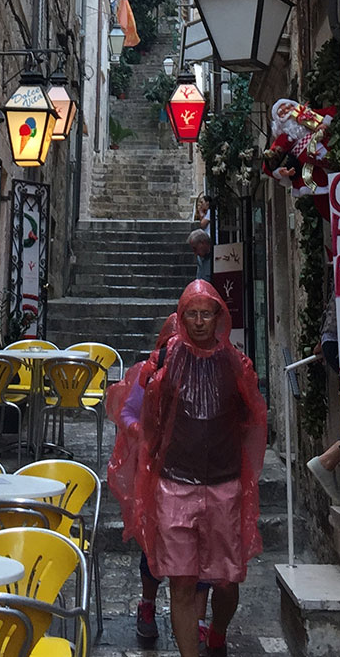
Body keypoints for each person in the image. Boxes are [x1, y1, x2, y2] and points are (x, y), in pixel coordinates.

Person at [107, 280, 267, 657]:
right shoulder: (165, 361)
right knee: (181, 582)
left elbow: (251, 419)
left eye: (206, 313)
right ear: (181, 318)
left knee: (227, 583)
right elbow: (140, 411)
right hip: (174, 485)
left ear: (218, 317)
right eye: (191, 314)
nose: (198, 322)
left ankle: (217, 631)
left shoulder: (235, 364)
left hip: (225, 486)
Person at [115, 313, 212, 647]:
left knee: (199, 549)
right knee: (154, 546)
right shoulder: (150, 373)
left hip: (201, 475)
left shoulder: (207, 372)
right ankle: (148, 604)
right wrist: (142, 434)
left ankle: (197, 618)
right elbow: (128, 413)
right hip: (158, 475)